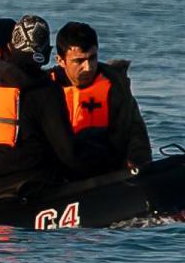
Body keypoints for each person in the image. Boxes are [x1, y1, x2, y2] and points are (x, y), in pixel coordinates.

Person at [0, 15, 101, 200]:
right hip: (35, 188)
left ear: (8, 48)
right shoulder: (46, 90)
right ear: (47, 53)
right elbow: (69, 153)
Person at [50, 21, 153, 169]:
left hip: (108, 170)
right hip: (62, 173)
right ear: (61, 61)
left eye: (92, 58)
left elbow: (135, 134)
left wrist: (139, 165)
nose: (88, 67)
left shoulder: (115, 85)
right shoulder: (46, 88)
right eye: (79, 61)